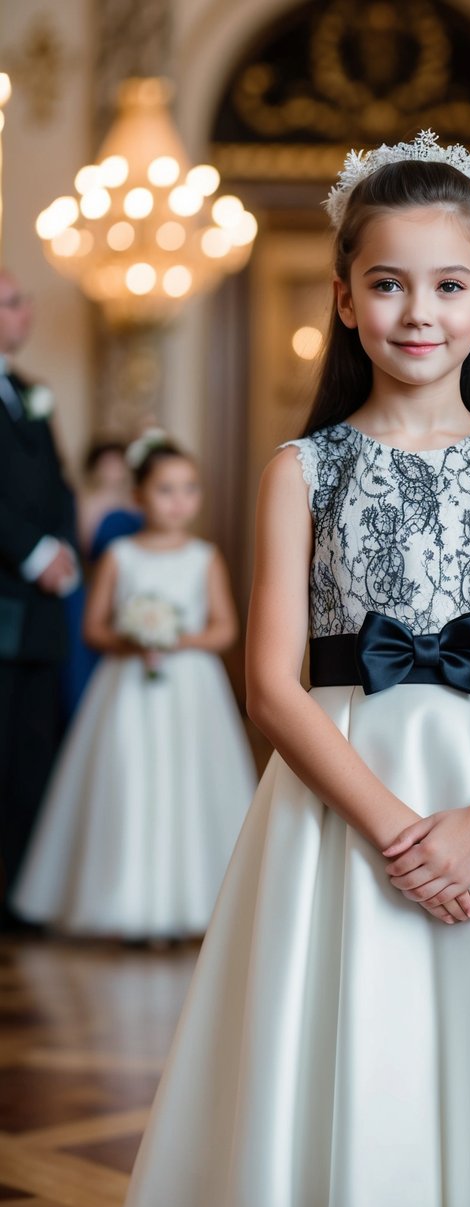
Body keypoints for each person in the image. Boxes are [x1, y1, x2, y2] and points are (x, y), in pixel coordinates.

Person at [123, 133, 470, 1207]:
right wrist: (389, 827)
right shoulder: (302, 469)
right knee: (338, 1024)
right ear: (342, 298)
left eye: (446, 285)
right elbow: (272, 684)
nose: (417, 311)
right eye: (386, 284)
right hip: (339, 802)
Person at [11, 434, 256, 938]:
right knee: (127, 779)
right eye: (166, 489)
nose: (180, 500)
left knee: (190, 784)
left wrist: (174, 637)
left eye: (190, 489)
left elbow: (226, 629)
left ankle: (198, 902)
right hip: (125, 687)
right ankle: (121, 899)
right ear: (139, 496)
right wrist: (134, 637)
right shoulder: (119, 555)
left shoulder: (204, 556)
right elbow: (93, 629)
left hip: (191, 689)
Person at [0, 268, 79, 929]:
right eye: (13, 302)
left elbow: (59, 486)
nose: (25, 313)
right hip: (4, 593)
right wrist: (30, 552)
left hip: (40, 615)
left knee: (32, 753)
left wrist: (64, 548)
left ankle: (22, 896)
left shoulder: (30, 393)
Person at [62, 439, 144, 717]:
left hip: (132, 594)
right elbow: (82, 550)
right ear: (94, 467)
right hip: (96, 589)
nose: (113, 470)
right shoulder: (86, 502)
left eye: (117, 462)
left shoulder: (138, 501)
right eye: (106, 463)